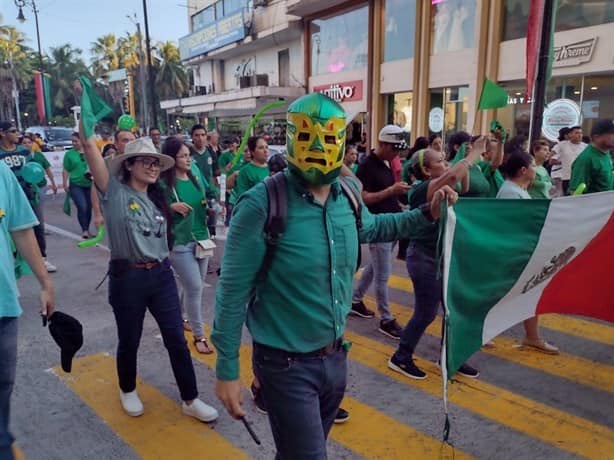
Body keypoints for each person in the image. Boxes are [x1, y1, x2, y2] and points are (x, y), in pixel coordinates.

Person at [212, 93, 457, 459]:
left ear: (341, 140)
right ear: (293, 138)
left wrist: (427, 212)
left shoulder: (347, 196)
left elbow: (375, 228)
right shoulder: (262, 204)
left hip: (335, 358)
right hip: (284, 365)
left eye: (328, 139)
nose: (318, 148)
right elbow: (232, 292)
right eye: (309, 138)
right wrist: (226, 369)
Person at [78, 115, 219, 422]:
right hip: (127, 277)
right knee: (130, 338)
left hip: (161, 275)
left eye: (157, 163)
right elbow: (89, 147)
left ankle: (190, 398)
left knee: (176, 340)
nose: (154, 167)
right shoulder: (114, 192)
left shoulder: (158, 198)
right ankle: (127, 389)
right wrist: (84, 116)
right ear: (128, 164)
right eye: (147, 162)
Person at [388, 141, 483, 380]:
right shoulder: (421, 189)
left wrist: (466, 157)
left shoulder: (444, 185)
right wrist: (473, 154)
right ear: (427, 171)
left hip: (442, 256)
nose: (445, 163)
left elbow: (463, 183)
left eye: (444, 158)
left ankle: (449, 356)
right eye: (439, 161)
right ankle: (401, 357)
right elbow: (453, 176)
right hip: (424, 258)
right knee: (426, 312)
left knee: (452, 310)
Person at [0, 159, 55, 460]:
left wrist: (45, 283)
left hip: (4, 306)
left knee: (3, 386)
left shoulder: (1, 173)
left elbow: (21, 229)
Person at [350, 125, 410, 338]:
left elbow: (386, 194)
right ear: (382, 144)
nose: (397, 153)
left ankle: (355, 300)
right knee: (383, 275)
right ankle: (386, 319)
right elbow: (363, 197)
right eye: (394, 148)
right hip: (378, 227)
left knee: (374, 269)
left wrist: (399, 202)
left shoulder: (386, 163)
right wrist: (391, 191)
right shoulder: (366, 166)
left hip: (390, 224)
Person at [497, 152, 559, 354]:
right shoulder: (511, 193)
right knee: (502, 296)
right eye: (533, 165)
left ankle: (532, 337)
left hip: (521, 252)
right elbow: (515, 225)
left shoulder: (517, 190)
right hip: (513, 254)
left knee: (529, 293)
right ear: (523, 170)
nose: (536, 169)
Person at [161, 137, 214, 355]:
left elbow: (207, 194)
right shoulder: (164, 184)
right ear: (171, 159)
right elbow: (152, 208)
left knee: (195, 285)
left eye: (188, 155)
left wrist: (213, 205)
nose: (187, 159)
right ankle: (199, 336)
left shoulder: (195, 175)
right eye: (182, 155)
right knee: (195, 287)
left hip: (202, 238)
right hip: (180, 242)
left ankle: (182, 315)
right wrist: (170, 206)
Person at [20, 135, 57, 272]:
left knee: (38, 221)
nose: (27, 144)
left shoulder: (38, 156)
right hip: (21, 192)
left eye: (29, 142)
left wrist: (53, 183)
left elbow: (47, 169)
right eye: (24, 142)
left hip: (38, 188)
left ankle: (43, 258)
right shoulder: (20, 156)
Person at [92, 129, 137, 229]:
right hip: (115, 212)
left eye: (132, 140)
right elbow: (95, 188)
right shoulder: (106, 163)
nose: (129, 143)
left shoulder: (142, 161)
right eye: (125, 140)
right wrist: (97, 214)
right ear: (116, 144)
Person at [568, 119, 614, 195]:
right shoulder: (586, 159)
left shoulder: (606, 153)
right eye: (612, 133)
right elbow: (575, 193)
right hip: (595, 206)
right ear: (597, 137)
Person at [63, 133, 93, 239]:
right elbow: (66, 169)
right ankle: (84, 230)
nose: (74, 143)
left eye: (76, 141)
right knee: (82, 206)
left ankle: (87, 228)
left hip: (90, 184)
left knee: (89, 208)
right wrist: (64, 182)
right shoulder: (69, 154)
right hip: (76, 184)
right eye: (73, 141)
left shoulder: (90, 151)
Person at [551, 126, 586, 195]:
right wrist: (562, 161)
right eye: (577, 133)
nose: (579, 135)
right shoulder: (562, 145)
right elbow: (551, 157)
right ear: (570, 134)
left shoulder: (586, 147)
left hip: (581, 179)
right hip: (567, 178)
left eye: (581, 133)